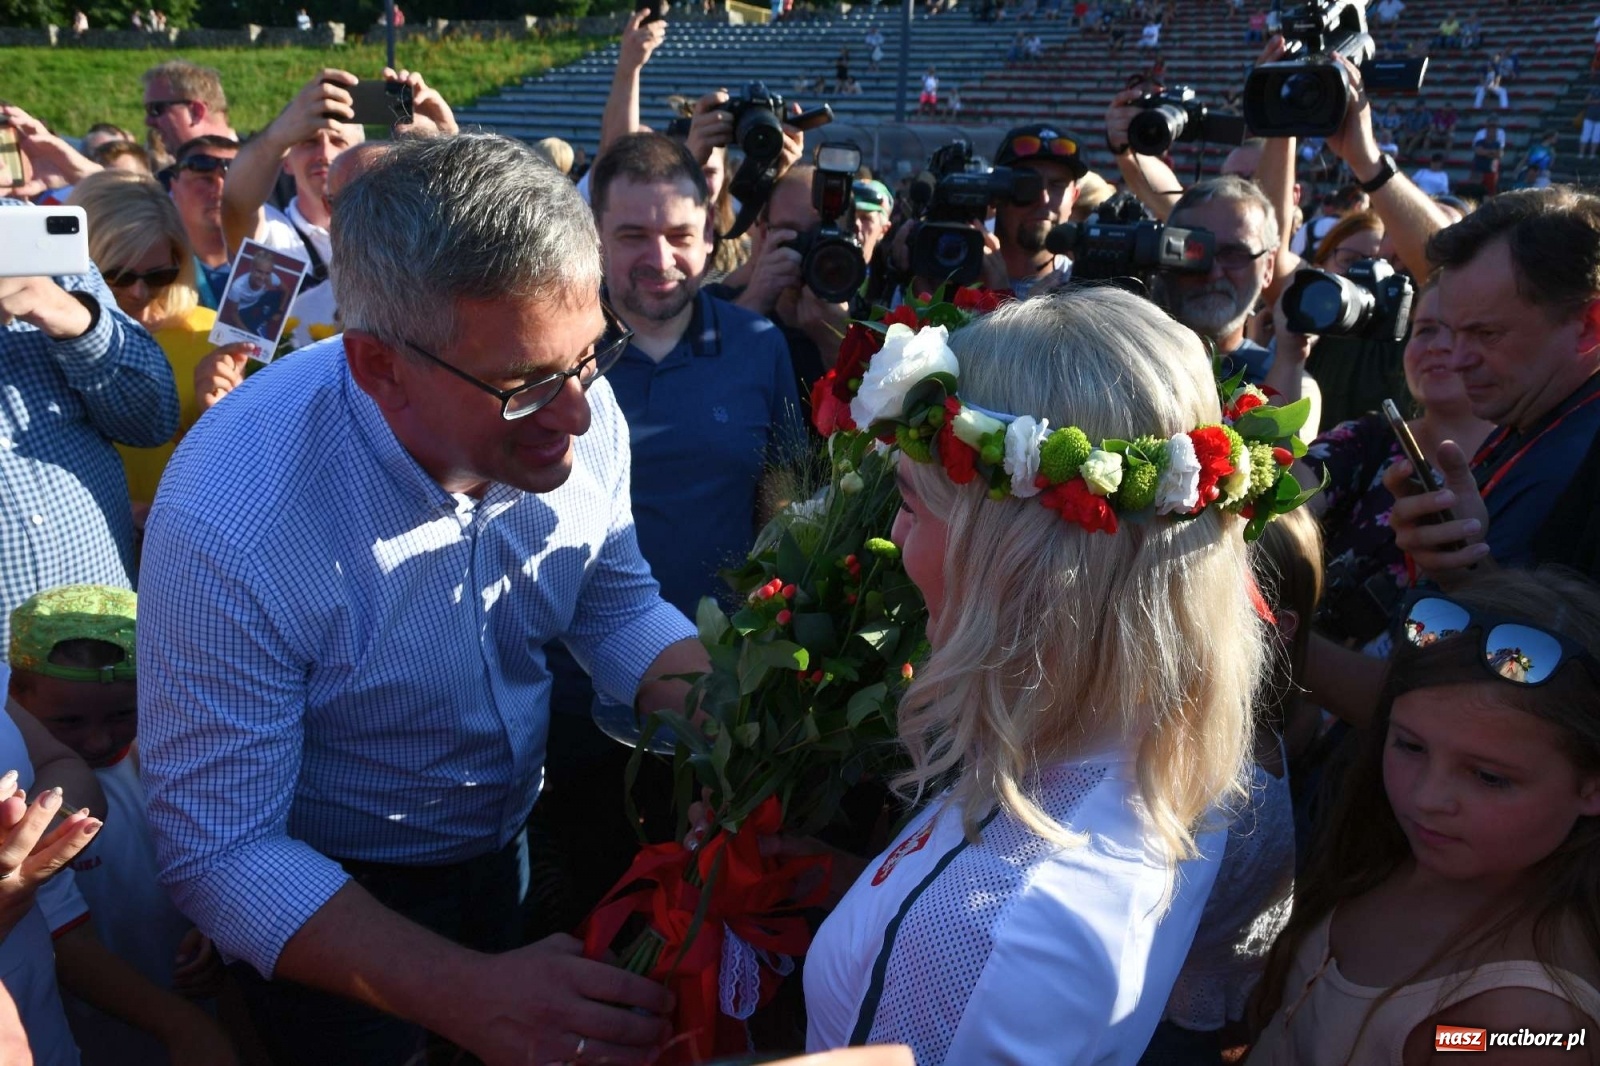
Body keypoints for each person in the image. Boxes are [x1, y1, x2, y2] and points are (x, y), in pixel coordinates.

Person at [138, 133, 701, 1066]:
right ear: (378, 365)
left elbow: (611, 602)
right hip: (334, 914)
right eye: (523, 389)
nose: (578, 415)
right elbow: (224, 852)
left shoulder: (563, 390)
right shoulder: (233, 514)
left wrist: (736, 725)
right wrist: (467, 993)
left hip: (510, 845)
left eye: (593, 355)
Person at [804, 287, 1269, 1064]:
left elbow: (955, 942)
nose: (891, 531)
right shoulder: (1156, 749)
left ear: (1019, 561)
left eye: (913, 505)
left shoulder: (989, 927)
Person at [532, 131, 803, 930]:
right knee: (586, 923)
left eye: (680, 234)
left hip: (717, 704)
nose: (660, 257)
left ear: (712, 234)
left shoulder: (757, 348)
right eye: (632, 236)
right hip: (571, 713)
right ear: (593, 239)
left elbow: (780, 505)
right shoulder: (552, 357)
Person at [1251, 568, 1600, 1064]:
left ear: (1592, 785)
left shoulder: (1522, 1028)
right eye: (1410, 745)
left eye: (1489, 777)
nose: (1426, 796)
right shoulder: (1391, 850)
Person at [9, 586, 239, 1066]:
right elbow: (64, 940)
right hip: (90, 1026)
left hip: (190, 997)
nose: (98, 738)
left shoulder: (178, 766)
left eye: (121, 714)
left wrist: (221, 928)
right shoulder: (29, 804)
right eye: (68, 722)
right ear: (15, 698)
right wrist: (177, 1023)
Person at [1383, 187, 1600, 584]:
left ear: (1588, 325)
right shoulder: (1533, 409)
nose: (1456, 358)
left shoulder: (1578, 461)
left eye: (1487, 333)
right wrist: (1458, 563)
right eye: (1451, 331)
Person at [0, 200, 180, 650]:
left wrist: (68, 316)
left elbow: (153, 418)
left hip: (111, 645)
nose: (141, 290)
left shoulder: (26, 233)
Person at [1300, 278, 1492, 653]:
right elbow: (1291, 497)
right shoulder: (1365, 439)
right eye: (1425, 330)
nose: (1437, 345)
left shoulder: (1524, 465)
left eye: (1462, 331)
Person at [66, 169, 247, 512]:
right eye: (117, 276)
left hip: (189, 535)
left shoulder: (212, 333)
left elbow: (247, 466)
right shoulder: (54, 341)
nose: (139, 291)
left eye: (159, 274)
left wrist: (229, 409)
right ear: (81, 264)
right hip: (89, 543)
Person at [1153, 176, 1278, 387]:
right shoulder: (1124, 364)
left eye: (1234, 254)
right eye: (1194, 251)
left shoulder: (1283, 382)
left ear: (1268, 266)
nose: (1214, 272)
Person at [989, 124, 1085, 298]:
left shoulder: (1086, 289)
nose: (1044, 199)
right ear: (996, 192)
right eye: (1027, 184)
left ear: (1074, 197)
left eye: (1057, 185)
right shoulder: (955, 273)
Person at [167, 135, 238, 308]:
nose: (220, 189)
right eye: (205, 180)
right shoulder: (157, 269)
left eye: (234, 180)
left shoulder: (274, 267)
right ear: (174, 188)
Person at [141, 60, 236, 157]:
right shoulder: (166, 171)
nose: (148, 121)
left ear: (196, 111)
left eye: (156, 109)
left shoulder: (249, 164)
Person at [222, 248, 289, 339]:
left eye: (267, 273)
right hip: (244, 309)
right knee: (248, 329)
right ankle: (258, 323)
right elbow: (233, 314)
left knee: (277, 295)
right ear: (252, 269)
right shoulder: (237, 287)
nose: (262, 277)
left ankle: (262, 320)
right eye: (259, 271)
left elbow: (286, 291)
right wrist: (247, 334)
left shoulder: (271, 278)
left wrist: (280, 311)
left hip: (259, 300)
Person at [1471, 118, 1505, 196]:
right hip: (1479, 170)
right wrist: (1491, 152)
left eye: (1494, 130)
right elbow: (1479, 151)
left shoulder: (1497, 144)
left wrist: (1486, 152)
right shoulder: (1480, 142)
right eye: (1490, 130)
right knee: (1476, 192)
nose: (1492, 132)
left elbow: (1499, 154)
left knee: (1490, 193)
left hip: (1491, 171)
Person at [1580, 87, 1600, 161]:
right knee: (1585, 135)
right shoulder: (1594, 89)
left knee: (1596, 137)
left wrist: (1592, 101)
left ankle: (1592, 154)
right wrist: (1595, 102)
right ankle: (1581, 154)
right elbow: (1586, 101)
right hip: (1589, 116)